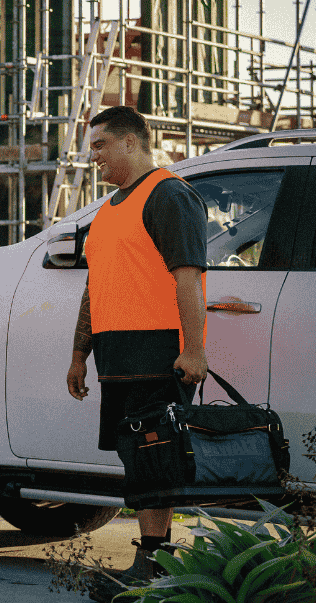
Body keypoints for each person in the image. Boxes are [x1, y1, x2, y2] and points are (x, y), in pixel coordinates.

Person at [65, 106, 208, 595]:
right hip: (116, 362)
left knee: (155, 462)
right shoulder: (107, 209)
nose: (95, 157)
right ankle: (154, 562)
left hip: (157, 357)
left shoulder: (169, 196)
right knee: (136, 461)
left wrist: (194, 351)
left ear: (130, 142)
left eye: (101, 146)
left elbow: (188, 277)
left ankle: (154, 563)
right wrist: (78, 354)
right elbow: (95, 286)